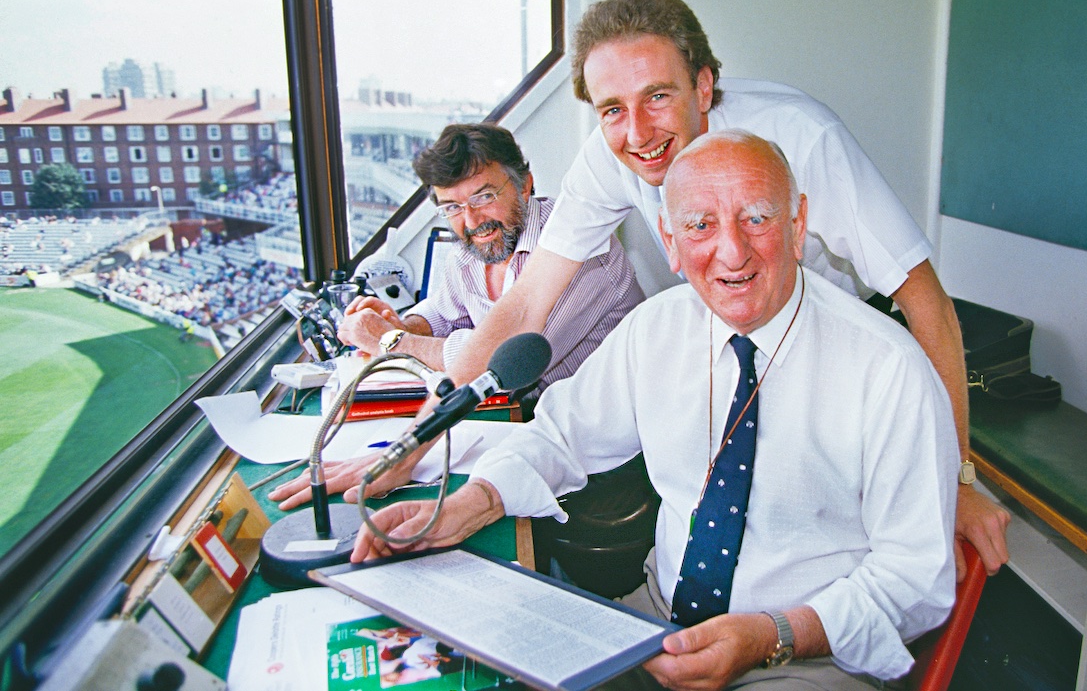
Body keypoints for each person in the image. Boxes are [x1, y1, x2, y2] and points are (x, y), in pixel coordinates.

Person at [438, 0, 1009, 580]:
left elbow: (926, 302)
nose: (636, 132)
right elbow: (528, 299)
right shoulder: (615, 151)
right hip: (723, 331)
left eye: (658, 96)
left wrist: (958, 478)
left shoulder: (802, 137)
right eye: (612, 109)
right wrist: (433, 424)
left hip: (824, 343)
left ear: (703, 87)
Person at [354, 131, 957, 689]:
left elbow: (917, 580)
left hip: (803, 651)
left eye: (757, 217)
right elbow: (561, 436)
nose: (731, 252)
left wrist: (773, 635)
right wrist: (466, 505)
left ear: (797, 225)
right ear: (669, 241)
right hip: (657, 618)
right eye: (699, 225)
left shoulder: (889, 368)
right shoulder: (656, 331)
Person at [268, 123, 644, 510]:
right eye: (452, 208)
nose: (470, 220)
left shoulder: (582, 253)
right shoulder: (474, 245)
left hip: (599, 452)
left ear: (525, 185)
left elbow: (503, 363)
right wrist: (403, 324)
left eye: (483, 196)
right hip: (521, 420)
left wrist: (389, 341)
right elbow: (442, 311)